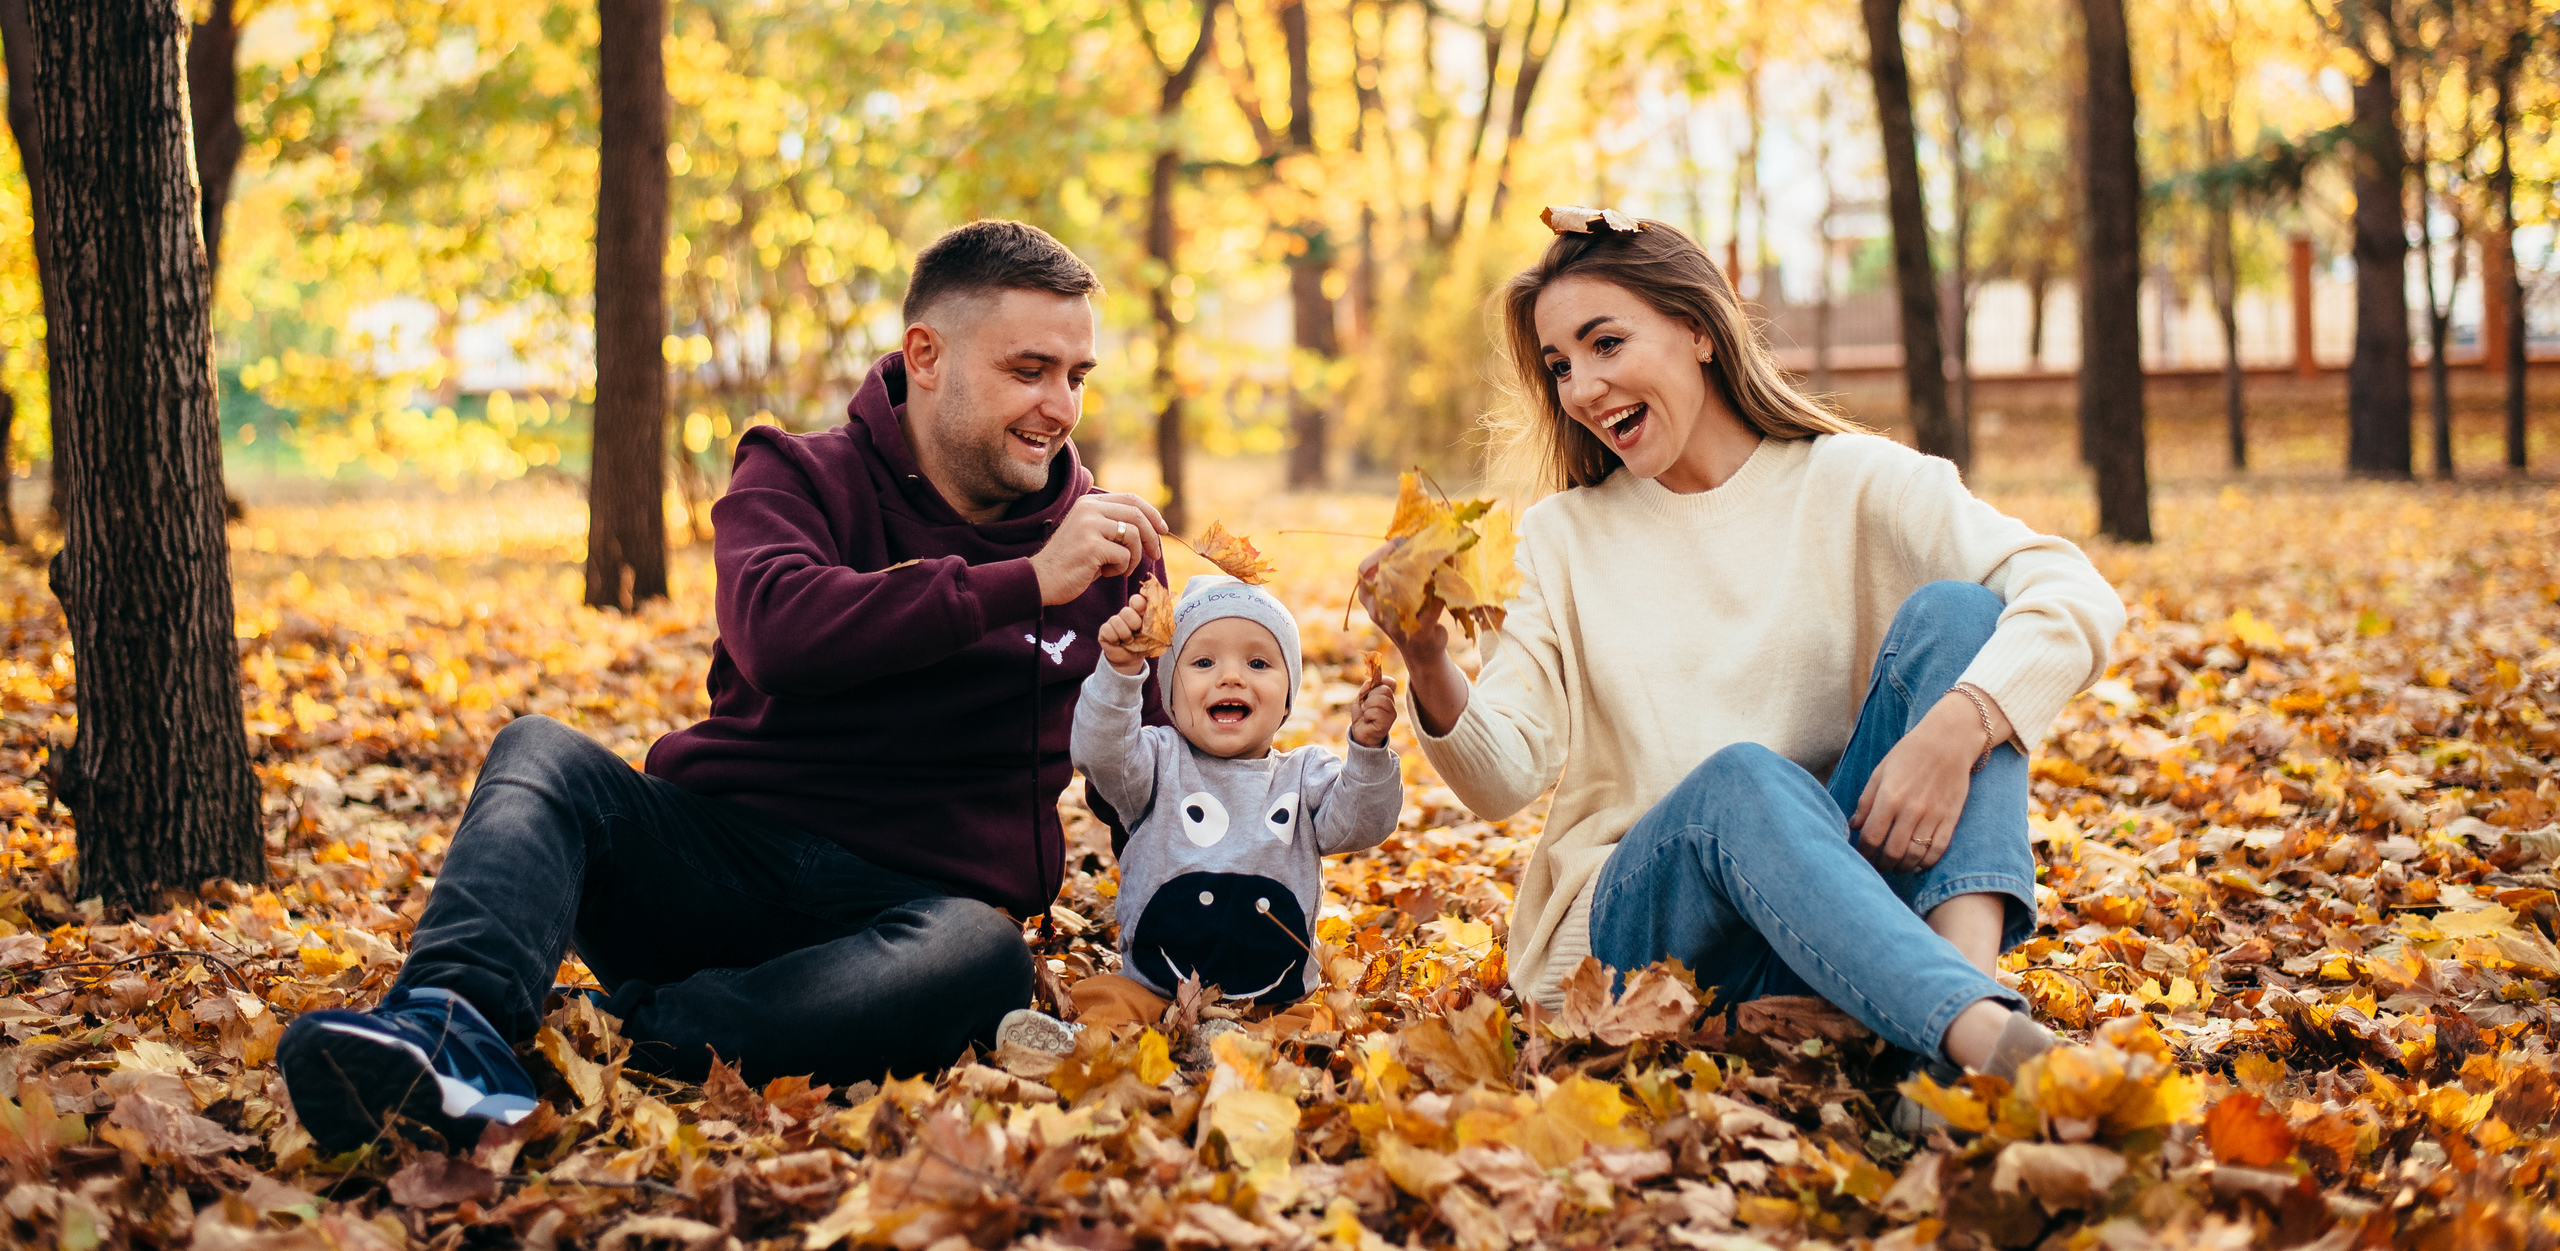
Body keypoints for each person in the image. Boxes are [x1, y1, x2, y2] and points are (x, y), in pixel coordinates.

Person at [278, 220, 1171, 1153]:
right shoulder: (794, 472)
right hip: (716, 866)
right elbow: (782, 633)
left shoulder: (1107, 549)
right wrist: (1022, 580)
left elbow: (1150, 779)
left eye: (1077, 376)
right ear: (927, 355)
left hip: (907, 923)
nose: (1059, 406)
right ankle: (448, 1027)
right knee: (539, 749)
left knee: (985, 957)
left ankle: (610, 1038)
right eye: (1030, 370)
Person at [1363, 212, 2125, 1121]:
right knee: (1742, 781)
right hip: (1644, 938)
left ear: (1700, 329)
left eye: (1606, 341)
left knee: (1962, 617)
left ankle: (1944, 1042)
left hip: (1830, 912)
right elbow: (1503, 776)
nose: (1584, 386)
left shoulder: (1857, 481)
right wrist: (1426, 655)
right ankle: (1983, 1041)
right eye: (1562, 364)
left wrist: (1959, 725)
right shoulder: (1559, 540)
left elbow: (2074, 590)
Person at [1067, 576, 1401, 1025]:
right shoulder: (1154, 762)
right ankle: (1072, 1042)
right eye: (1203, 661)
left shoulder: (1302, 776)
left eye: (1258, 663)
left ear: (1287, 697)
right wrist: (1121, 673)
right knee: (1105, 997)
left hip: (1269, 1000)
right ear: (1169, 693)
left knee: (1313, 1023)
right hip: (1156, 990)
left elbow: (1365, 822)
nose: (1231, 676)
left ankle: (1236, 1047)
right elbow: (1099, 752)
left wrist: (1368, 753)